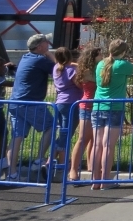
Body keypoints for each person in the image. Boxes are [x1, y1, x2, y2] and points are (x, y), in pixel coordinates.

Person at [92, 39, 133, 189]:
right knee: (108, 145)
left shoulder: (101, 64)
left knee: (97, 145)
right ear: (123, 52)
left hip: (97, 107)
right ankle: (105, 180)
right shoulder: (121, 65)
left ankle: (94, 180)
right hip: (114, 108)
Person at [4, 33, 55, 181]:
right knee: (51, 126)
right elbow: (58, 68)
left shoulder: (26, 57)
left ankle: (12, 174)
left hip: (15, 102)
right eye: (46, 42)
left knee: (16, 137)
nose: (48, 44)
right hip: (30, 102)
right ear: (40, 47)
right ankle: (38, 160)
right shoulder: (40, 60)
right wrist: (49, 55)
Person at [68, 46, 101, 182]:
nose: (102, 57)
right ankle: (73, 170)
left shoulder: (91, 68)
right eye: (100, 55)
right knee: (83, 138)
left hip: (97, 106)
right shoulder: (89, 71)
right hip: (87, 106)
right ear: (93, 57)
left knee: (94, 138)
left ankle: (90, 165)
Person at [51, 47, 82, 169]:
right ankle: (57, 162)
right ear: (70, 56)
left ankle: (55, 160)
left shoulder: (56, 68)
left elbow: (66, 64)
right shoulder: (71, 70)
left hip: (60, 102)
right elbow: (79, 85)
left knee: (63, 131)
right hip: (71, 103)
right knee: (67, 132)